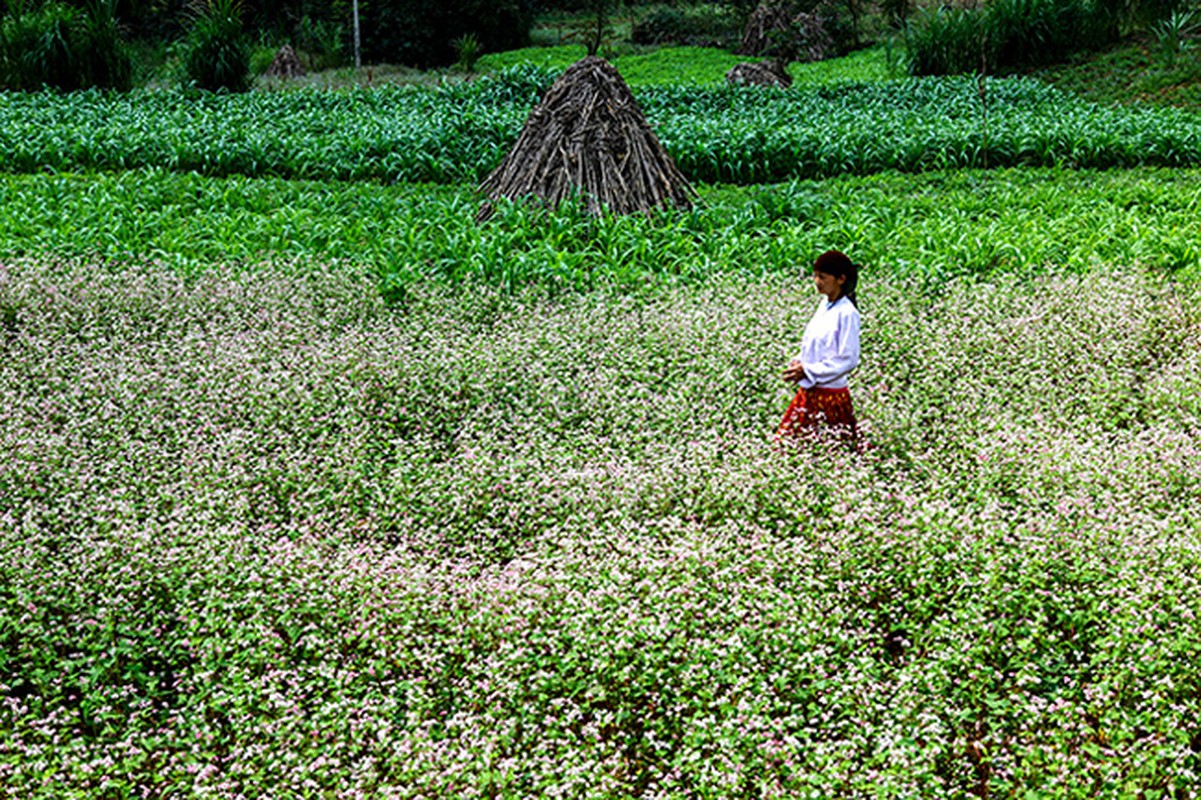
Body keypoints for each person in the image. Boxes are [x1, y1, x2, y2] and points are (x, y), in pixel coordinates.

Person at [777, 249, 861, 444]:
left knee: (829, 450)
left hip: (830, 395)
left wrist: (808, 370)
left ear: (840, 279)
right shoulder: (824, 304)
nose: (816, 281)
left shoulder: (847, 313)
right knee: (789, 445)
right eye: (815, 276)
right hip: (810, 390)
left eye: (822, 277)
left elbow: (848, 359)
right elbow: (815, 342)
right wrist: (800, 362)